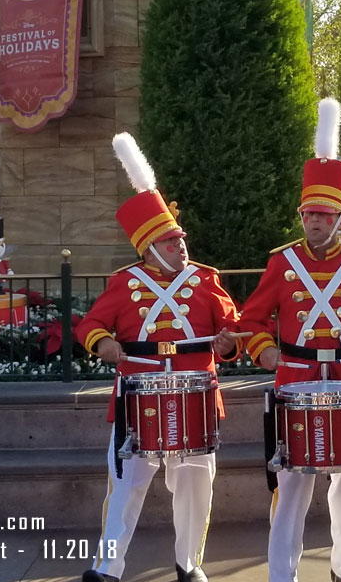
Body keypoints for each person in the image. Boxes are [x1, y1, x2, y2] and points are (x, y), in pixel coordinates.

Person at [239, 99, 341, 582]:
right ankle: (281, 574)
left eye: (322, 214)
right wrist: (264, 350)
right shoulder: (282, 263)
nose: (312, 221)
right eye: (308, 213)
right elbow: (252, 321)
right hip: (296, 380)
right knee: (291, 484)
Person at [75, 134, 241, 582]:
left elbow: (231, 324)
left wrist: (228, 342)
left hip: (194, 395)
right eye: (170, 242)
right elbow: (88, 325)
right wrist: (104, 345)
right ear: (148, 248)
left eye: (181, 240)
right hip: (137, 398)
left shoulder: (206, 279)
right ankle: (107, 568)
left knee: (194, 487)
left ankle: (190, 565)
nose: (180, 247)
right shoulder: (123, 283)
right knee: (126, 487)